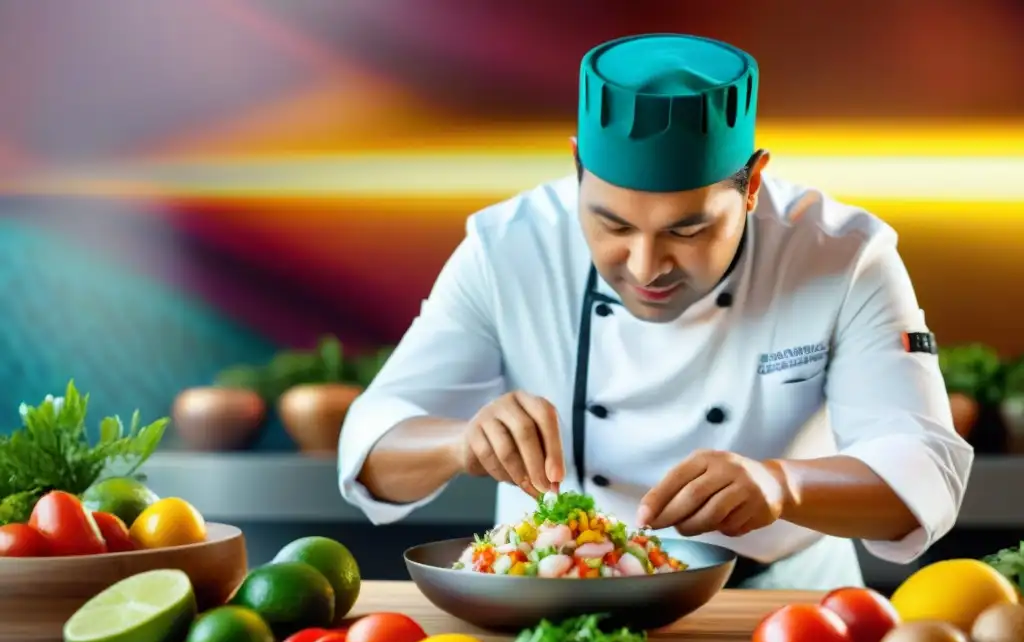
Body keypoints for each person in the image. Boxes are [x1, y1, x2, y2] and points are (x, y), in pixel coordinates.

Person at [337, 33, 974, 589]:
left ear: (751, 185)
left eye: (688, 231)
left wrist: (784, 487)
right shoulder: (508, 247)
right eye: (611, 225)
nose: (646, 268)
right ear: (576, 168)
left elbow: (924, 469)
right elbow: (371, 446)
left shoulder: (843, 256)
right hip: (556, 596)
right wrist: (461, 443)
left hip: (782, 603)